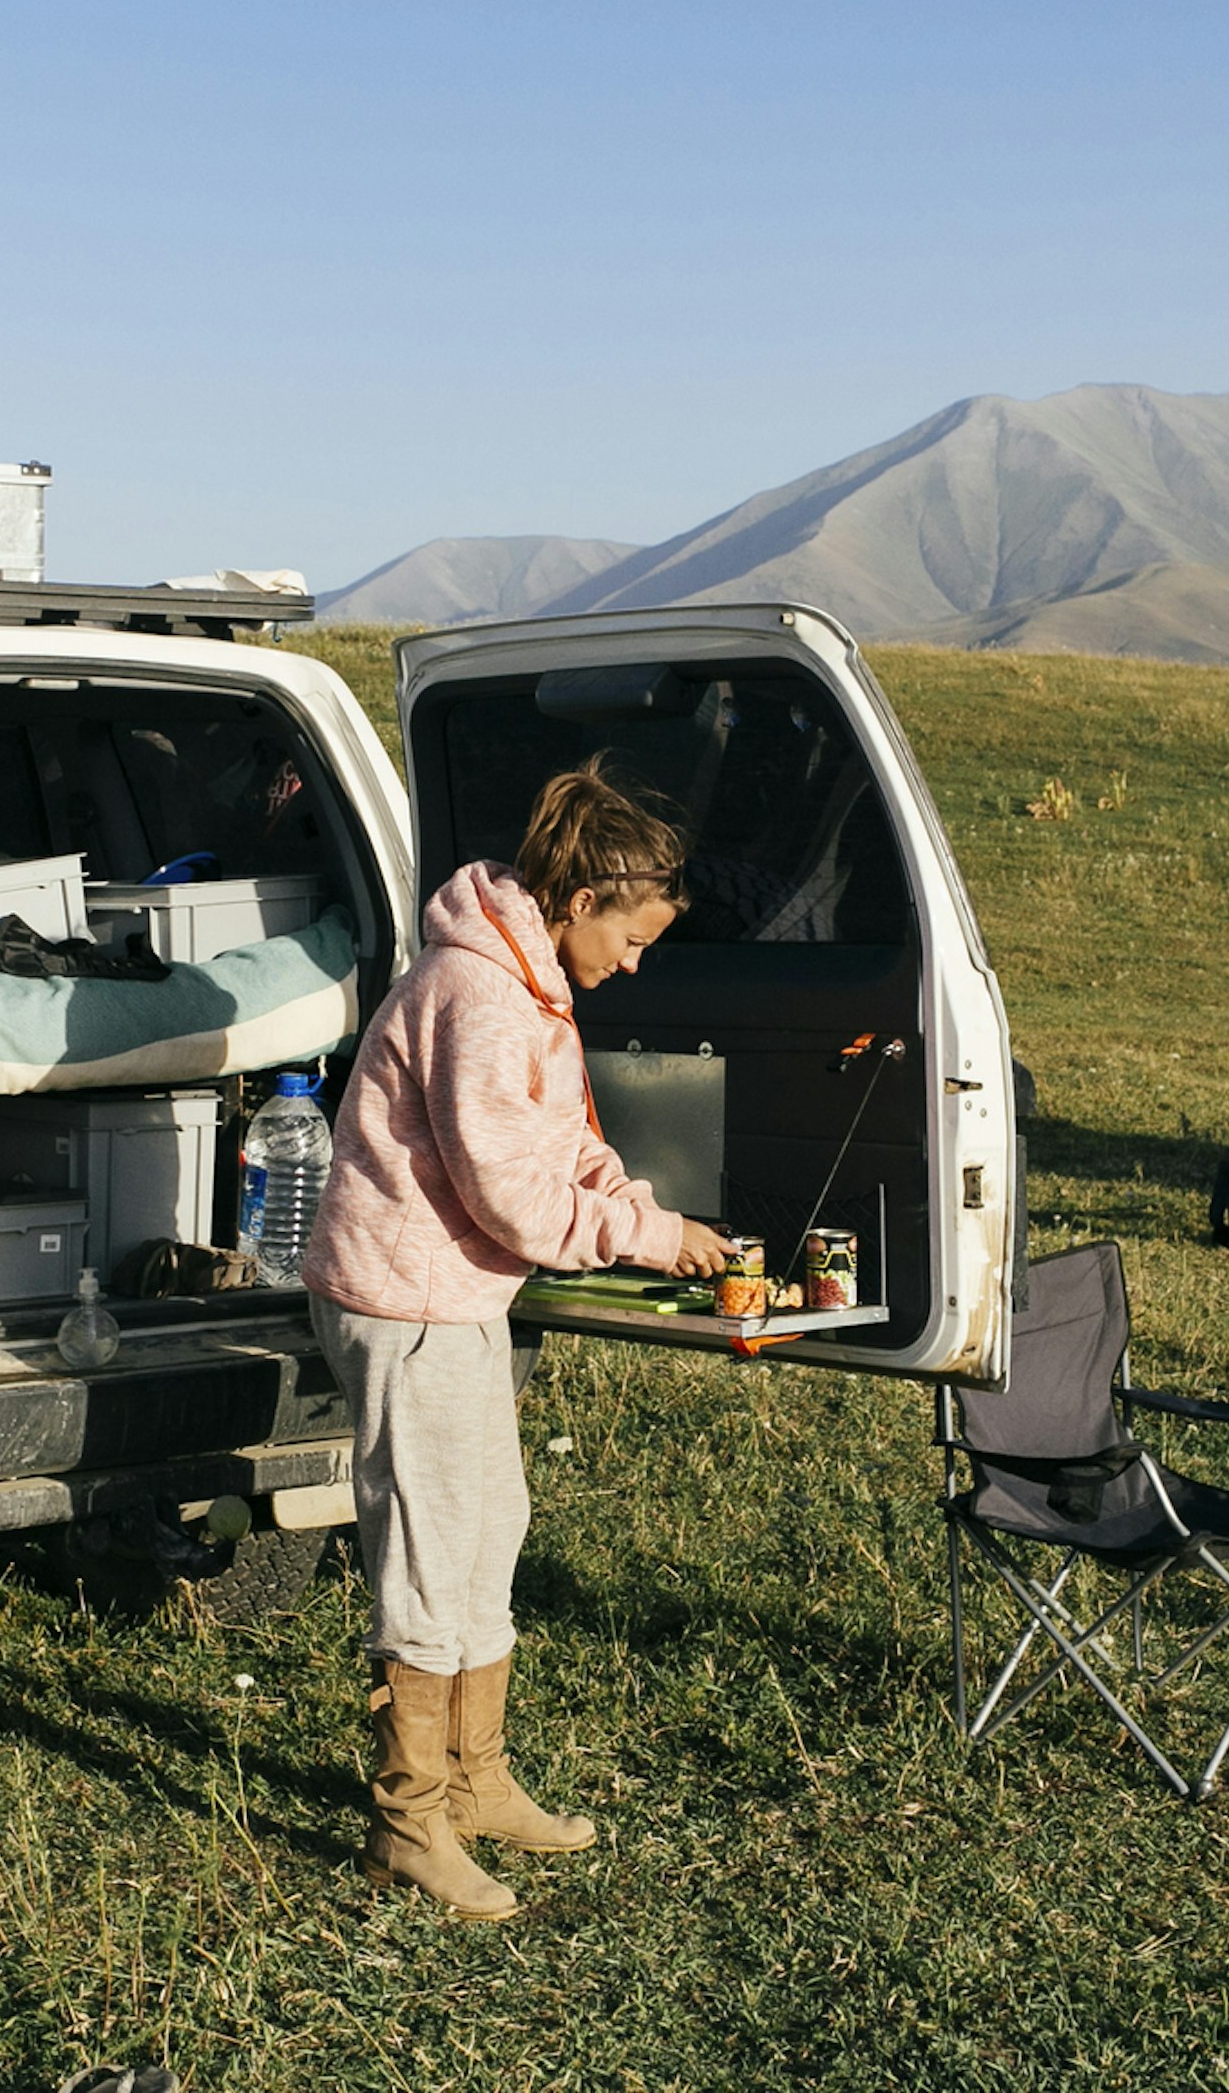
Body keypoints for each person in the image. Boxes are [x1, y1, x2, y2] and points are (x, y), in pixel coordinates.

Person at [300, 759, 738, 1919]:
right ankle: (409, 1819)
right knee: (432, 1551)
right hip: (410, 1299)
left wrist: (644, 1206)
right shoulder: (483, 994)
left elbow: (563, 1139)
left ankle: (476, 1780)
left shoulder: (530, 984)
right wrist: (643, 1235)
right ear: (582, 902)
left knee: (491, 1522)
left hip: (456, 1297)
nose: (634, 964)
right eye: (633, 939)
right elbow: (508, 1191)